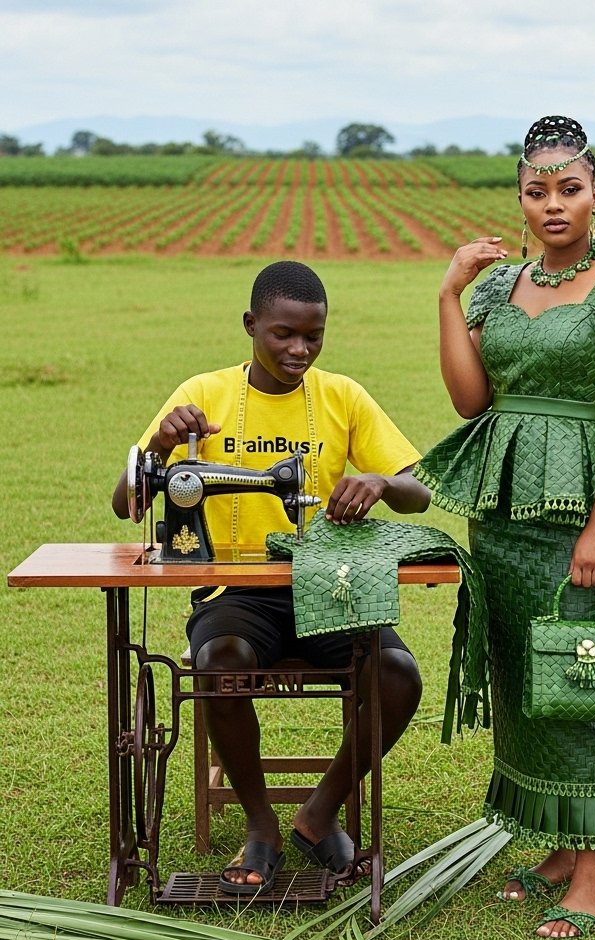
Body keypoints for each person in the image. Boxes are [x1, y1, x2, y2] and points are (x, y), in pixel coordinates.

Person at [415, 115, 595, 938]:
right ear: (520, 199)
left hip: (585, 506)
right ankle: (556, 847)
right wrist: (447, 293)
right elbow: (472, 400)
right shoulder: (503, 288)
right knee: (518, 670)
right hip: (503, 508)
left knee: (573, 675)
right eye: (536, 192)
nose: (552, 205)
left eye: (568, 189)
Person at [111, 260, 430, 895]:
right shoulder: (204, 395)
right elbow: (128, 501)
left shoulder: (343, 396)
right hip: (237, 596)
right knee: (220, 662)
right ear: (251, 324)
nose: (299, 350)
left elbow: (417, 495)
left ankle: (318, 813)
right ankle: (261, 826)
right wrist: (161, 452)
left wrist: (381, 481)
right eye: (283, 334)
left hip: (328, 589)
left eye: (313, 336)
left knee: (398, 676)